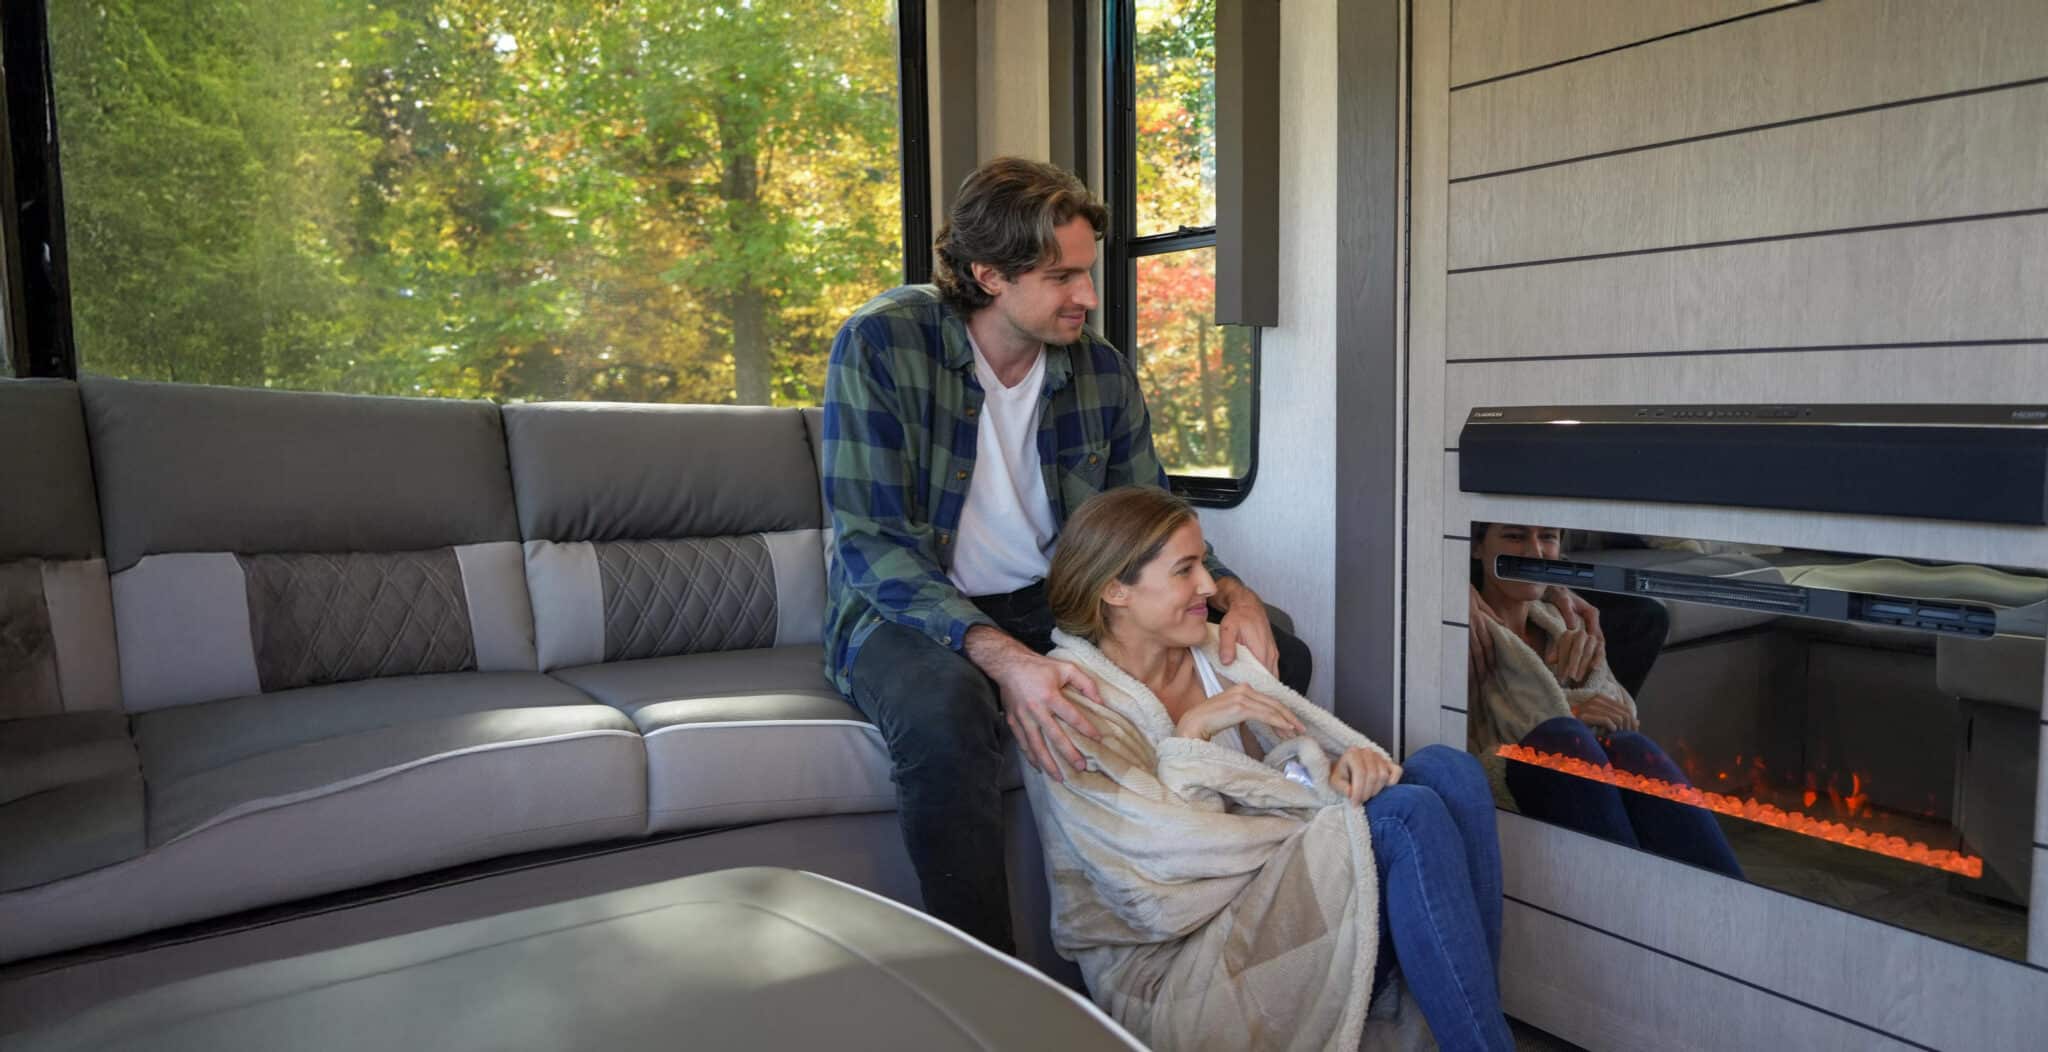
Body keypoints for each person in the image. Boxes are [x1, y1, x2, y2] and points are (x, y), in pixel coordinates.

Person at [819, 157, 1311, 953]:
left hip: (1050, 600)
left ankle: (1226, 903)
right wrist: (1008, 662)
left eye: (1087, 273)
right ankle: (983, 986)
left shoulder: (1100, 370)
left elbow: (1145, 521)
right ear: (987, 275)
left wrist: (1226, 589)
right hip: (903, 608)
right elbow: (874, 545)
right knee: (945, 716)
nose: (1087, 297)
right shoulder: (882, 344)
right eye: (1061, 277)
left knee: (1273, 645)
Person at [1024, 485, 1511, 1052]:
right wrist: (1191, 737)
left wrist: (1335, 775)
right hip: (1179, 974)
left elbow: (1282, 782)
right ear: (1114, 589)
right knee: (1404, 817)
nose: (1210, 586)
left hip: (1269, 899)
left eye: (1204, 564)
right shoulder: (1069, 710)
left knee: (1450, 771)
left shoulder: (1215, 652)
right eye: (1185, 570)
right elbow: (1158, 892)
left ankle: (1470, 1024)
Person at [1467, 522, 1743, 878]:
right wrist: (1572, 715)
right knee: (1564, 738)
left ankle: (1724, 891)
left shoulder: (1564, 626)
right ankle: (1628, 895)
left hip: (1576, 778)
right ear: (1477, 548)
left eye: (1547, 538)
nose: (1534, 552)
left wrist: (1595, 716)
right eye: (1514, 537)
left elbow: (1621, 709)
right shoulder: (1469, 629)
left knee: (1629, 747)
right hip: (1506, 776)